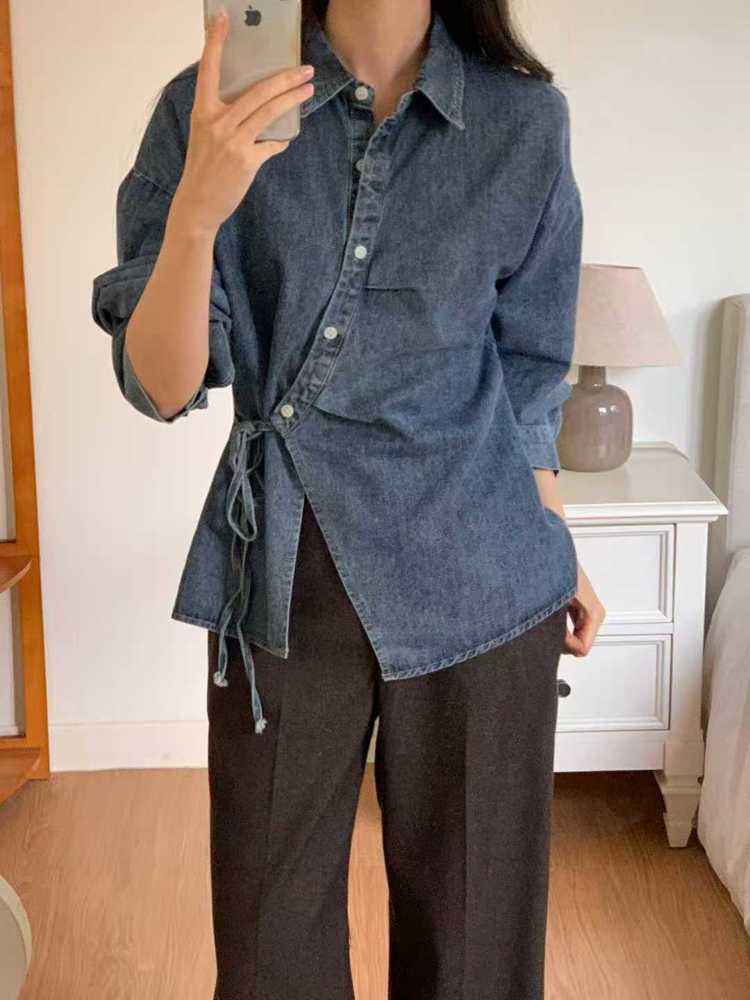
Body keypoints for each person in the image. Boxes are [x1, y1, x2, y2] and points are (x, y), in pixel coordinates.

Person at [91, 1, 606, 997]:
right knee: (269, 944)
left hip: (485, 572)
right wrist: (199, 210)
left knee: (476, 949)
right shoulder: (208, 110)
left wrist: (556, 541)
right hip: (286, 570)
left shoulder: (524, 122)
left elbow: (529, 371)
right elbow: (161, 386)